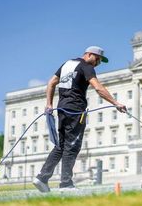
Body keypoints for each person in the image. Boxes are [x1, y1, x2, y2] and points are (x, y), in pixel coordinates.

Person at [33, 46, 127, 192]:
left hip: (62, 109)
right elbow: (98, 88)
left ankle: (42, 178)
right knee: (73, 144)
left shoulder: (67, 64)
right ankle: (66, 184)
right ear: (89, 55)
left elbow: (51, 82)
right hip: (76, 110)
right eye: (97, 59)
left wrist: (49, 104)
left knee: (61, 145)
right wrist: (116, 103)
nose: (97, 63)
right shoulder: (86, 66)